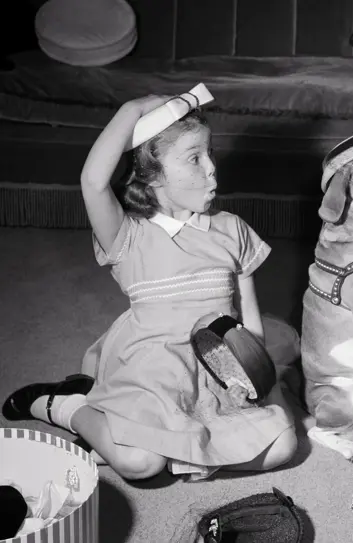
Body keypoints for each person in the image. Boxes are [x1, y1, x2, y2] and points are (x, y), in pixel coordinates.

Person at [3, 88, 299, 480]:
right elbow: (92, 181)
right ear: (151, 175)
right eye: (195, 158)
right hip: (151, 371)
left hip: (216, 369)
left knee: (284, 447)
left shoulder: (232, 230)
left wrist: (247, 378)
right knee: (139, 465)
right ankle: (65, 407)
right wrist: (134, 107)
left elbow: (250, 321)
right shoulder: (128, 236)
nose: (212, 169)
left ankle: (172, 449)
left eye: (211, 154)